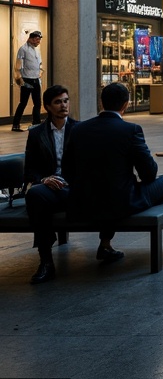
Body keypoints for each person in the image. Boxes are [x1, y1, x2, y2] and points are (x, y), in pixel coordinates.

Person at [59, 82, 163, 277]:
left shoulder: (78, 129)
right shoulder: (131, 130)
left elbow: (67, 170)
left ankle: (105, 244)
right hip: (120, 202)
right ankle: (105, 244)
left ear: (101, 102)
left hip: (83, 200)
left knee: (107, 187)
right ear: (126, 105)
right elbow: (149, 174)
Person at [23, 85, 91, 284]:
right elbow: (30, 170)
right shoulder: (36, 134)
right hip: (52, 188)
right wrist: (44, 179)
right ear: (47, 107)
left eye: (66, 100)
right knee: (35, 195)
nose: (64, 105)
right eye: (58, 102)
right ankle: (45, 260)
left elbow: (89, 164)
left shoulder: (80, 130)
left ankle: (105, 246)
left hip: (76, 188)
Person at [12, 29, 44, 131]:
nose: (38, 42)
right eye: (36, 39)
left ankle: (36, 122)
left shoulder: (37, 50)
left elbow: (40, 65)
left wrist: (40, 74)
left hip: (35, 80)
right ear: (30, 39)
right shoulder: (23, 49)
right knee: (23, 103)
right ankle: (16, 124)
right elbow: (18, 66)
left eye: (39, 40)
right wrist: (20, 80)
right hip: (26, 80)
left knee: (38, 103)